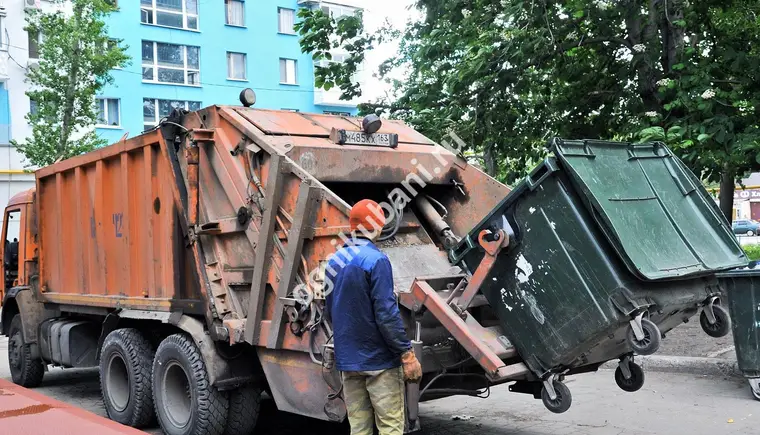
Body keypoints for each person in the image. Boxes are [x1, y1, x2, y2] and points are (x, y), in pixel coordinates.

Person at [325, 199, 423, 435]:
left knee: (359, 428)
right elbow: (386, 314)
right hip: (379, 362)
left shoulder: (333, 261)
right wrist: (406, 354)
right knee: (390, 427)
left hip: (349, 362)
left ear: (353, 227)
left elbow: (330, 310)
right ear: (378, 227)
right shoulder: (377, 260)